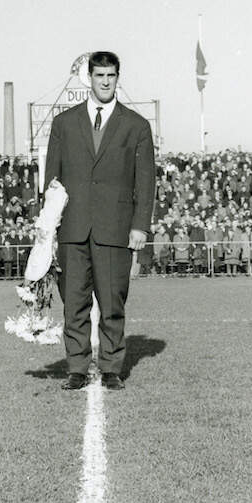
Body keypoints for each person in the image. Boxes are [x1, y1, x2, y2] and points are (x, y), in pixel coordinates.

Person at [44, 51, 155, 391]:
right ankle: (76, 368)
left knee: (112, 302)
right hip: (73, 228)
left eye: (111, 76)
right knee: (74, 302)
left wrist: (139, 226)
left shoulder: (136, 125)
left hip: (114, 228)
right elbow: (52, 179)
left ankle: (110, 367)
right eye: (99, 76)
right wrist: (48, 225)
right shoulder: (64, 123)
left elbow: (145, 181)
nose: (105, 82)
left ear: (117, 77)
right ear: (88, 78)